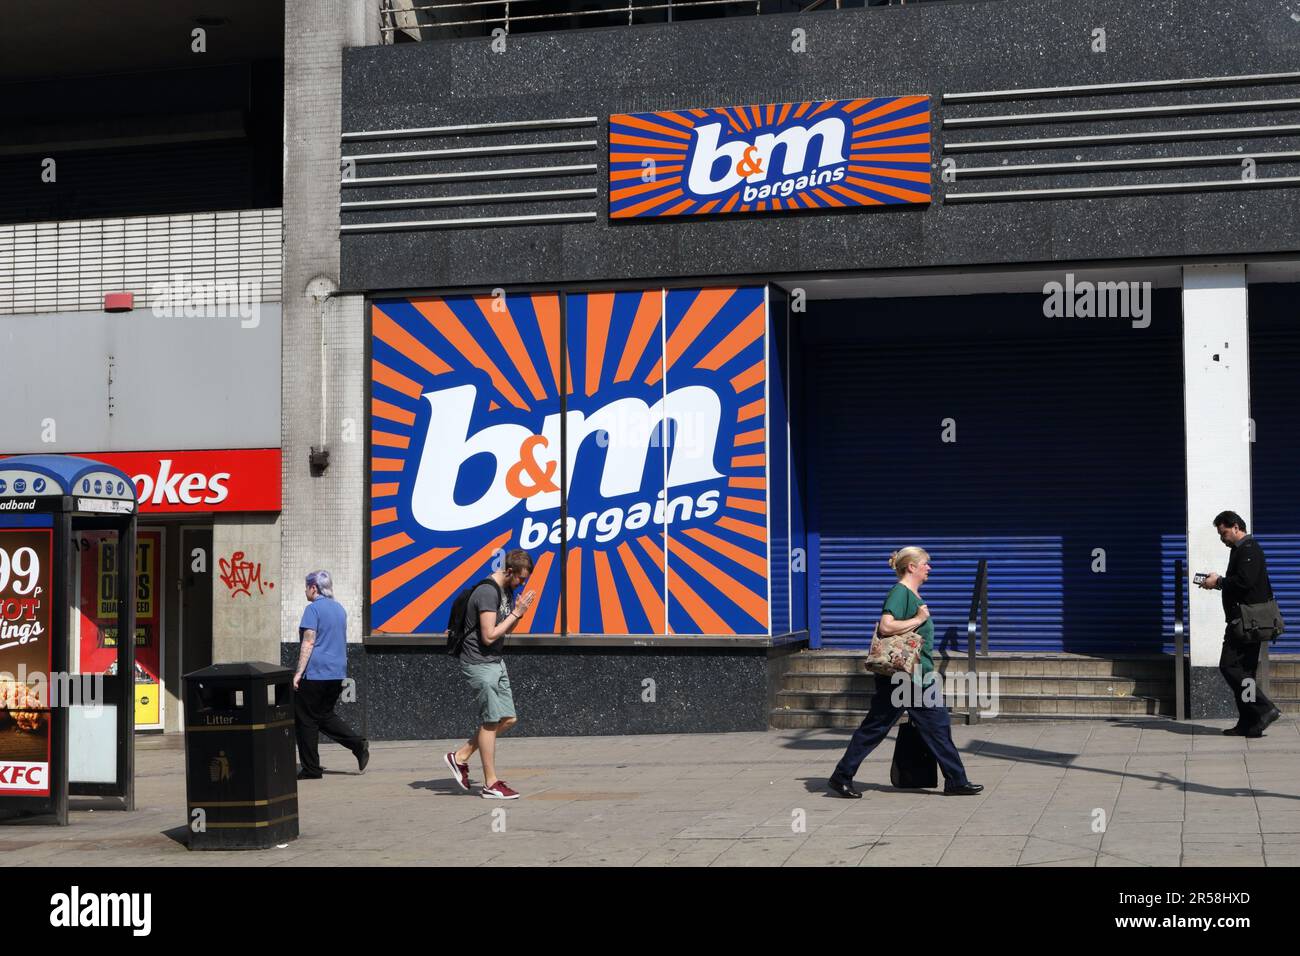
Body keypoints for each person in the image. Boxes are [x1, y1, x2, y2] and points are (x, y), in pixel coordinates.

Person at [828, 546, 983, 798]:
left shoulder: (912, 594)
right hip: (901, 678)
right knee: (876, 727)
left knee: (938, 725)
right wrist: (919, 619)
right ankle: (841, 776)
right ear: (911, 567)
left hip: (919, 676)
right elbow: (886, 625)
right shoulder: (900, 593)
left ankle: (956, 780)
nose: (929, 568)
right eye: (925, 564)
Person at [444, 549, 535, 799]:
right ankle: (490, 784)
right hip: (479, 663)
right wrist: (516, 613)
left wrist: (518, 613)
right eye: (520, 578)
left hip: (495, 661)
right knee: (491, 720)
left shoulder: (506, 590)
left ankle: (460, 756)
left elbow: (505, 630)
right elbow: (489, 635)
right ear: (508, 571)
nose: (522, 583)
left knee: (508, 719)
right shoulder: (487, 592)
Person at [1199, 511, 1283, 737]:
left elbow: (1244, 582)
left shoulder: (1249, 549)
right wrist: (1218, 582)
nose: (1222, 538)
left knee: (1230, 667)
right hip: (1243, 621)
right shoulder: (1241, 550)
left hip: (1246, 622)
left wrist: (1218, 582)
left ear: (1236, 527)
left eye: (1224, 532)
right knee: (1244, 672)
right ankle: (1249, 722)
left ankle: (1265, 709)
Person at [293, 570, 369, 779]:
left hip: (315, 672)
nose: (305, 590)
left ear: (314, 588)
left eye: (307, 586)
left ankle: (311, 768)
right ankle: (357, 744)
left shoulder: (313, 609)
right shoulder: (339, 609)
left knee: (305, 719)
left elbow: (308, 641)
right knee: (323, 715)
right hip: (336, 672)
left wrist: (298, 673)